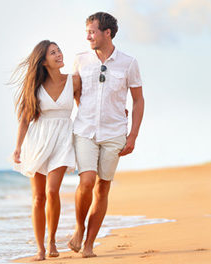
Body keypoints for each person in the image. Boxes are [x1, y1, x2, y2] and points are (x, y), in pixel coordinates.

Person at [68, 12, 145, 258]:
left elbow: (138, 99)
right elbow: (75, 92)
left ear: (107, 33)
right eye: (87, 31)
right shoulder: (80, 59)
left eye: (92, 31)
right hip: (84, 130)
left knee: (102, 188)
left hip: (114, 133)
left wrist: (132, 135)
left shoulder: (129, 62)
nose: (88, 36)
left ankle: (89, 244)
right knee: (87, 181)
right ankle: (79, 228)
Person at [12, 40, 81, 261]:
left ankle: (52, 241)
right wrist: (18, 147)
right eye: (53, 52)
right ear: (43, 61)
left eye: (59, 50)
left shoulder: (74, 81)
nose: (59, 54)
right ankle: (41, 249)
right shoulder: (34, 87)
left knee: (52, 191)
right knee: (38, 197)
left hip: (62, 139)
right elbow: (24, 119)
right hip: (39, 141)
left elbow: (86, 108)